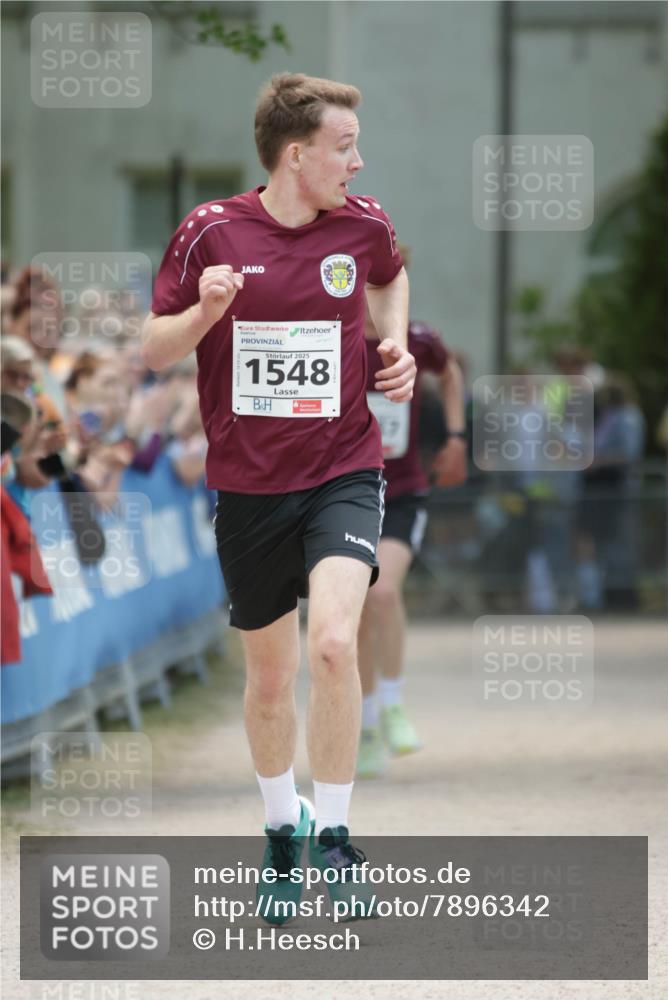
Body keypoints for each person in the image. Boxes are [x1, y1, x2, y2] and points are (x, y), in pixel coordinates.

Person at [142, 73, 416, 922]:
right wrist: (203, 316)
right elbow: (153, 349)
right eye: (344, 147)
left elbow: (391, 275)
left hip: (343, 464)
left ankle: (334, 838)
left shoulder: (360, 222)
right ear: (296, 156)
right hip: (249, 483)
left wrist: (396, 341)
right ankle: (278, 831)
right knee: (270, 679)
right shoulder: (211, 233)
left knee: (335, 642)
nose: (358, 160)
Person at [357, 287, 466, 778]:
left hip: (402, 490)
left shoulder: (417, 339)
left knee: (382, 593)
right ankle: (363, 723)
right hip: (345, 493)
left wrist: (456, 437)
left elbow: (451, 374)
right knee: (352, 613)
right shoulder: (328, 338)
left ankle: (394, 704)